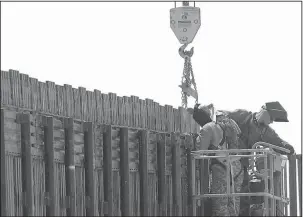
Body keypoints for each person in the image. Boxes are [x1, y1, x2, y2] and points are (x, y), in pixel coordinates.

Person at [217, 101, 295, 216]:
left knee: (243, 194)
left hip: (241, 167)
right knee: (221, 195)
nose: (272, 121)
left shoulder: (265, 131)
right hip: (223, 163)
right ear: (265, 112)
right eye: (272, 118)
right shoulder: (242, 115)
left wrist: (288, 148)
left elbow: (278, 142)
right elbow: (220, 115)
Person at [190, 103, 244, 216]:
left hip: (221, 167)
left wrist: (195, 139)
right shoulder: (229, 125)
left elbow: (201, 150)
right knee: (233, 203)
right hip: (236, 167)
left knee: (220, 204)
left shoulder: (208, 127)